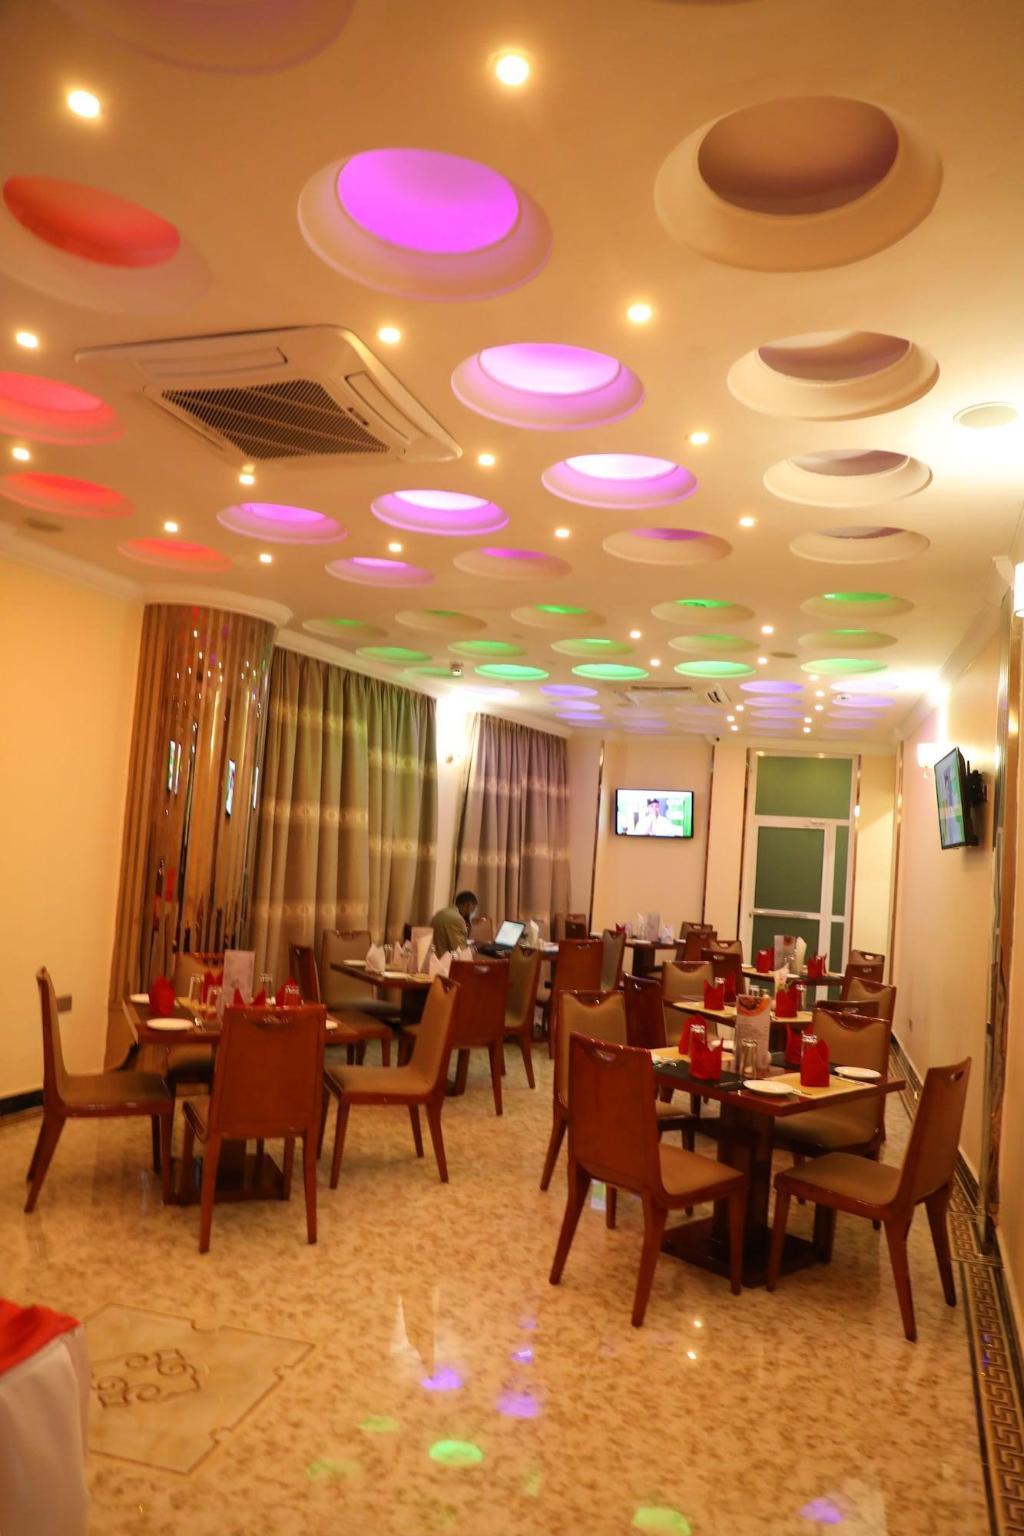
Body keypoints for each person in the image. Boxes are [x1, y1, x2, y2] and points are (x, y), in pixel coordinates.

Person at [431, 890, 478, 956]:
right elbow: (461, 952)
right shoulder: (457, 919)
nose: (473, 912)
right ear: (468, 905)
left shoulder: (441, 912)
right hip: (446, 960)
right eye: (474, 908)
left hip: (435, 957)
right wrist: (476, 948)